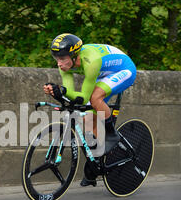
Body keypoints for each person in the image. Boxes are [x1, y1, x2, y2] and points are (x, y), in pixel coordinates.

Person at [43, 33, 137, 187]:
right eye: (56, 58)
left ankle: (112, 135)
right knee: (86, 120)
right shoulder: (64, 65)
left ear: (74, 56)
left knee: (94, 98)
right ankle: (97, 162)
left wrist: (63, 90)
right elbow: (72, 96)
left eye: (62, 58)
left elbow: (83, 96)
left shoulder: (91, 61)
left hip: (124, 69)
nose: (59, 63)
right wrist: (57, 92)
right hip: (103, 73)